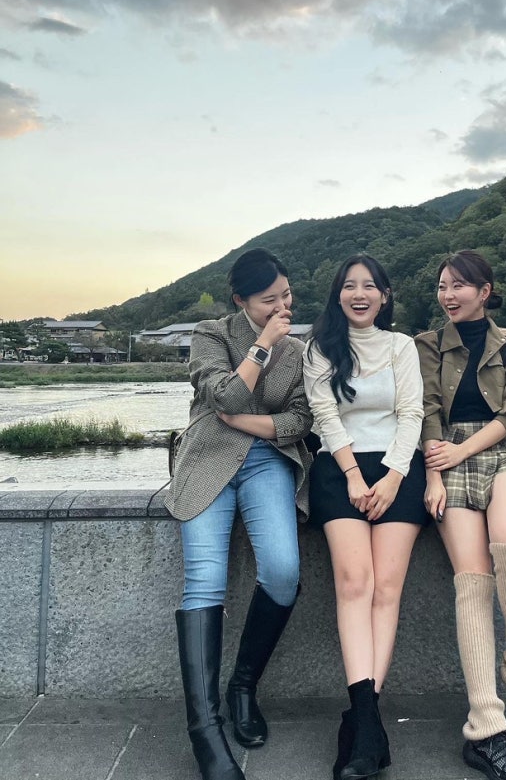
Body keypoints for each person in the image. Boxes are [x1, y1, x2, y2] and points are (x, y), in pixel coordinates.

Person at [165, 248, 312, 780]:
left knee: (283, 571)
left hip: (267, 460)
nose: (282, 307)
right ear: (241, 300)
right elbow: (224, 393)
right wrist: (263, 344)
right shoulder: (211, 334)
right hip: (207, 459)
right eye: (269, 299)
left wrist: (245, 423)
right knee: (204, 581)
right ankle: (205, 731)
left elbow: (300, 419)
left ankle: (243, 686)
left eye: (286, 295)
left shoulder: (300, 352)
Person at [414, 250, 506, 780]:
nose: (448, 295)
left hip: (495, 452)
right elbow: (424, 410)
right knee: (472, 581)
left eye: (458, 286)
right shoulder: (427, 344)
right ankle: (485, 722)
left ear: (484, 291)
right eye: (442, 286)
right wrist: (433, 474)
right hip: (443, 458)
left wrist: (460, 453)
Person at [303, 254, 427, 780]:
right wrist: (354, 475)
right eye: (350, 286)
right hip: (340, 470)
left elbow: (412, 413)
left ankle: (361, 722)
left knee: (387, 589)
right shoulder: (320, 347)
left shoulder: (402, 346)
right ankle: (369, 724)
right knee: (355, 583)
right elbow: (325, 415)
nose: (360, 294)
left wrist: (394, 476)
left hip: (399, 471)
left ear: (385, 295)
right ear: (338, 295)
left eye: (370, 286)